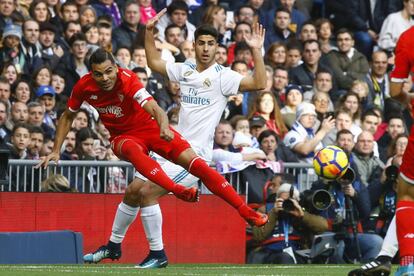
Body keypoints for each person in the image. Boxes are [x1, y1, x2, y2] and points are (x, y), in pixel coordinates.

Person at [81, 11, 269, 268]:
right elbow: (154, 62)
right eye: (200, 43)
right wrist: (148, 33)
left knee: (147, 192)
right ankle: (113, 246)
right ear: (193, 45)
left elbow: (259, 82)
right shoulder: (185, 69)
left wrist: (257, 51)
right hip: (169, 146)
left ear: (217, 48)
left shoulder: (225, 77)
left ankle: (158, 254)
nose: (205, 48)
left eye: (210, 43)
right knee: (133, 190)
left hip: (194, 154)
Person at [387, 26, 414, 275]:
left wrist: (409, 100)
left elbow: (395, 91)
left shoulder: (408, 37)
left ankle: (408, 265)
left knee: (406, 195)